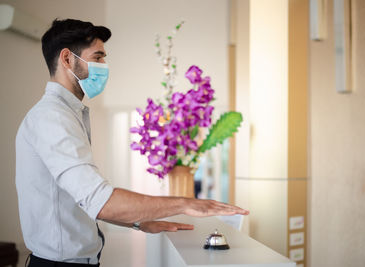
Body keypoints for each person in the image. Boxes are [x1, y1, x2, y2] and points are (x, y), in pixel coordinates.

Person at [15, 19, 249, 267]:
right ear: (67, 59)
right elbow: (101, 201)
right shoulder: (52, 118)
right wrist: (186, 203)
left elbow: (80, 199)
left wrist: (138, 221)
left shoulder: (66, 114)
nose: (104, 66)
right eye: (98, 57)